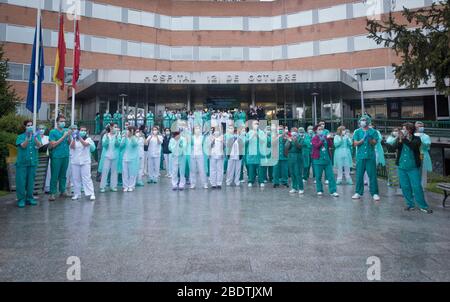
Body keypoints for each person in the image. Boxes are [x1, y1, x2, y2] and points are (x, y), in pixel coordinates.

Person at [387, 123, 432, 213]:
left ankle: (423, 206)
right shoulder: (400, 139)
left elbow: (413, 146)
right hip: (401, 166)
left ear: (410, 130)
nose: (403, 131)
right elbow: (393, 148)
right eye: (402, 129)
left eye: (405, 129)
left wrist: (403, 139)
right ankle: (410, 204)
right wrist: (398, 139)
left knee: (417, 186)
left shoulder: (417, 139)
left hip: (413, 167)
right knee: (405, 186)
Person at [352, 115, 380, 201]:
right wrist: (363, 140)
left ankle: (374, 193)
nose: (362, 122)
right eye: (361, 120)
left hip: (370, 156)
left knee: (372, 175)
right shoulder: (357, 132)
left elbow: (374, 143)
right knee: (359, 174)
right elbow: (355, 143)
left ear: (368, 121)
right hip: (360, 157)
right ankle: (358, 192)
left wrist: (370, 139)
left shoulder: (373, 131)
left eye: (364, 120)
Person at [15, 120, 42, 207]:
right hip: (22, 163)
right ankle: (21, 199)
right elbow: (23, 146)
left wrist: (34, 137)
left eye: (31, 125)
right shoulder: (20, 136)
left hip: (32, 162)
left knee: (31, 182)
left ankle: (30, 198)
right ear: (25, 127)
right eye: (28, 125)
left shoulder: (36, 136)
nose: (30, 127)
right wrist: (28, 138)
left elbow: (39, 145)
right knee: (21, 182)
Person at [48, 115, 71, 201]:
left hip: (65, 155)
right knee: (54, 175)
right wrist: (64, 136)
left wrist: (69, 136)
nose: (63, 123)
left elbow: (69, 143)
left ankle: (63, 190)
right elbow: (53, 144)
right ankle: (52, 193)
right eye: (61, 121)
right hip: (56, 156)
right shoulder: (52, 132)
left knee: (63, 175)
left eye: (64, 121)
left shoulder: (66, 131)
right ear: (57, 122)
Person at [70, 126, 96, 201]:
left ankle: (91, 193)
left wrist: (79, 137)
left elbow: (85, 144)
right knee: (75, 178)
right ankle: (77, 194)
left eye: (84, 131)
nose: (83, 132)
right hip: (75, 161)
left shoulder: (89, 139)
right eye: (81, 130)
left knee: (87, 178)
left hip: (85, 162)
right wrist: (74, 138)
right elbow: (72, 147)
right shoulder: (74, 138)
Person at [311, 125, 339, 197]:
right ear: (316, 131)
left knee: (331, 176)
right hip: (318, 160)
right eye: (319, 129)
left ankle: (333, 191)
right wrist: (322, 140)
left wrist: (329, 139)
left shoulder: (325, 137)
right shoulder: (314, 138)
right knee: (318, 176)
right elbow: (316, 146)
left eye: (322, 129)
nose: (321, 131)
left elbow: (331, 145)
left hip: (327, 160)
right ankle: (319, 190)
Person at [99, 123, 121, 193]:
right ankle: (102, 186)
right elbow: (104, 145)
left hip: (115, 156)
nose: (115, 128)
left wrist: (117, 137)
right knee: (105, 171)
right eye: (114, 127)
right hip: (107, 156)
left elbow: (118, 145)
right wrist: (107, 139)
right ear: (110, 128)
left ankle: (113, 186)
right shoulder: (106, 135)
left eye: (116, 127)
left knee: (114, 171)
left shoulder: (118, 135)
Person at [245, 120, 266, 187]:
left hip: (259, 153)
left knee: (260, 169)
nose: (256, 125)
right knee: (251, 168)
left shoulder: (261, 132)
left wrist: (258, 136)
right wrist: (251, 137)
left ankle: (261, 181)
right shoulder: (249, 133)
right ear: (252, 125)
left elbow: (264, 141)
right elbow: (245, 142)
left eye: (257, 124)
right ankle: (250, 181)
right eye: (255, 124)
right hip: (251, 154)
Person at [285, 127, 304, 194]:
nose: (293, 133)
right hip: (290, 156)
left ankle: (301, 188)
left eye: (295, 131)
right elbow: (286, 147)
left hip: (298, 156)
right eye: (292, 131)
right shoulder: (289, 138)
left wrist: (295, 140)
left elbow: (300, 147)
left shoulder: (300, 139)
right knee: (292, 173)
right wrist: (289, 141)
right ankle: (294, 187)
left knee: (298, 173)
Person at [121, 126, 139, 192]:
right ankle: (125, 186)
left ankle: (131, 186)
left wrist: (131, 137)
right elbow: (121, 145)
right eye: (127, 130)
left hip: (133, 158)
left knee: (132, 173)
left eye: (129, 130)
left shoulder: (136, 138)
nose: (127, 132)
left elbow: (135, 144)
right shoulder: (125, 138)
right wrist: (125, 138)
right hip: (125, 157)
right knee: (125, 173)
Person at [415, 121, 432, 189]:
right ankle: (415, 186)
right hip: (415, 155)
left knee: (423, 171)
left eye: (422, 126)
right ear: (415, 127)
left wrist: (422, 143)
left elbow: (427, 145)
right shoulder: (413, 135)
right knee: (415, 171)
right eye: (419, 126)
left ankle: (422, 187)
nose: (421, 128)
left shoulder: (426, 136)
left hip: (424, 155)